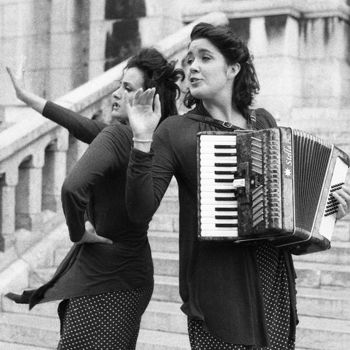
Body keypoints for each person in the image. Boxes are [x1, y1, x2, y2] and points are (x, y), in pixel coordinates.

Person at [124, 23, 350, 349]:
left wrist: (330, 211)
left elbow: (290, 222)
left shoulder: (265, 123)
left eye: (205, 58)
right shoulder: (175, 131)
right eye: (189, 60)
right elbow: (139, 211)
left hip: (273, 284)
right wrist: (142, 138)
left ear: (233, 68)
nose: (193, 67)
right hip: (218, 293)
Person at [5, 48, 184, 349]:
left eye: (127, 89)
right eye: (119, 85)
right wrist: (28, 98)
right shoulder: (152, 145)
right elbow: (76, 123)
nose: (115, 93)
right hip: (133, 278)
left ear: (148, 100)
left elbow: (71, 188)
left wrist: (78, 233)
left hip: (105, 278)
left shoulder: (118, 137)